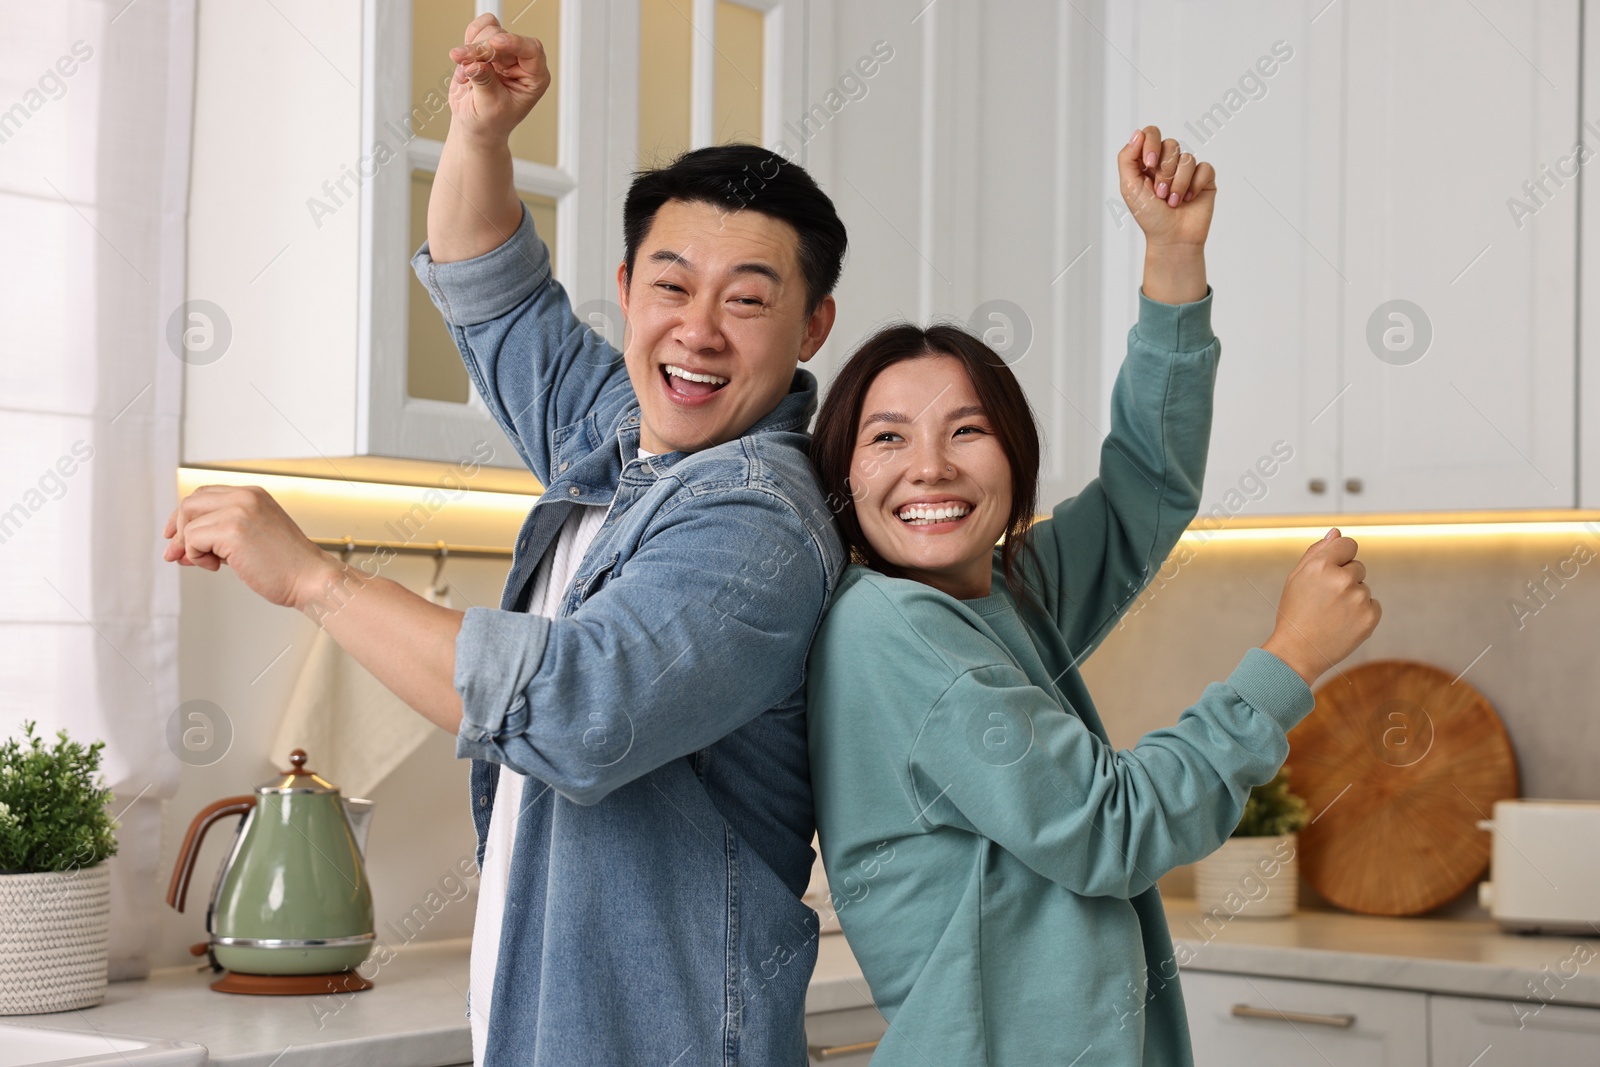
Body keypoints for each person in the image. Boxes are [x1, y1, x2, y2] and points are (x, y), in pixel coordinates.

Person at [164, 13, 848, 1066]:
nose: (698, 328)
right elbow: (494, 292)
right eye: (671, 285)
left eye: (747, 301)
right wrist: (481, 131)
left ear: (811, 329)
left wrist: (314, 579)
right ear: (626, 292)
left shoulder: (757, 519)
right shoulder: (624, 431)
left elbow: (577, 707)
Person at [804, 126, 1381, 1065]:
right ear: (844, 474)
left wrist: (1173, 253)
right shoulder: (886, 626)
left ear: (1014, 456)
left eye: (967, 428)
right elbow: (1115, 827)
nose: (931, 467)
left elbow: (1144, 490)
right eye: (886, 439)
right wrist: (1290, 660)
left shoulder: (998, 594)